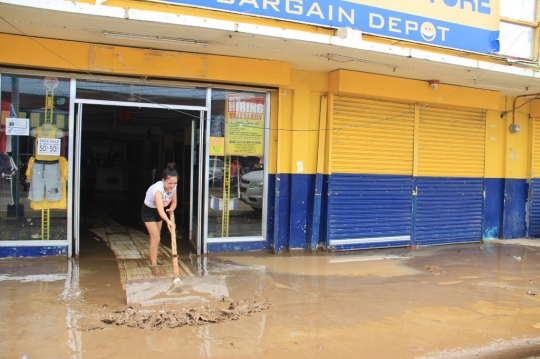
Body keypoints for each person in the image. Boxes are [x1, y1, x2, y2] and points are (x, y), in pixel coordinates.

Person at [141, 162, 178, 275]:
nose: (172, 186)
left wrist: (171, 209)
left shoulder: (174, 186)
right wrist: (168, 221)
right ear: (163, 180)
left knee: (156, 237)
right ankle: (154, 266)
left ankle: (153, 256)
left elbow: (174, 202)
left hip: (159, 212)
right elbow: (160, 210)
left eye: (174, 183)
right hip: (149, 211)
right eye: (169, 183)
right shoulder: (158, 190)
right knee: (156, 238)